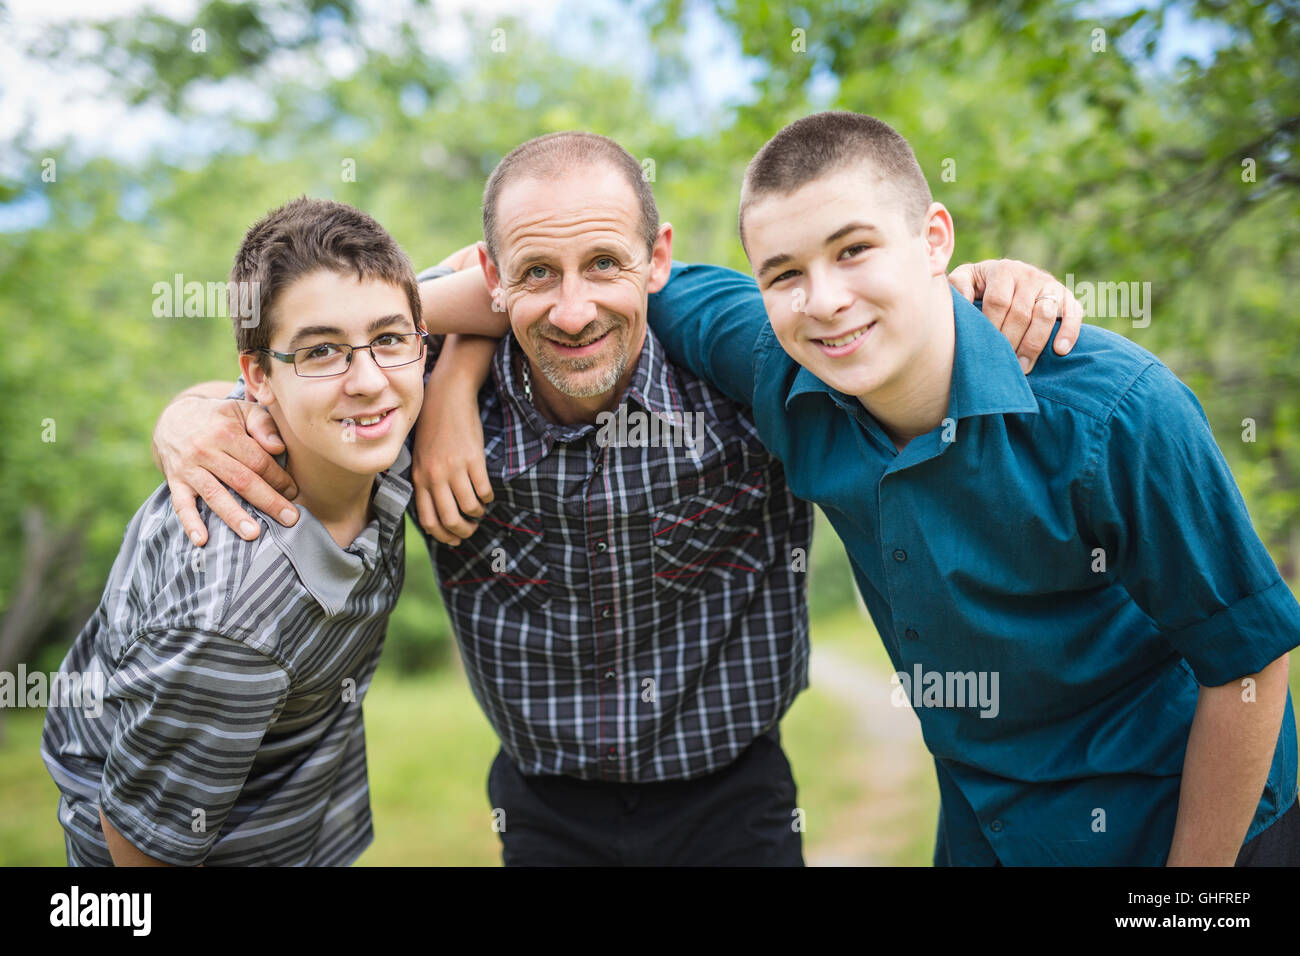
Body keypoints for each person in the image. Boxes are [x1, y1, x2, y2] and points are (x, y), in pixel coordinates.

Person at [153, 132, 1078, 865]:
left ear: (656, 258)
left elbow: (875, 325)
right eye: (538, 275)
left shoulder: (744, 380)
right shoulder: (409, 397)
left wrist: (986, 287)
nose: (573, 311)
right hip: (543, 807)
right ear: (493, 276)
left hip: (738, 797)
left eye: (605, 265)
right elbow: (302, 375)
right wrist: (195, 409)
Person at [644, 110, 1300, 865]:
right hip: (985, 828)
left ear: (934, 240)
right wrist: (468, 360)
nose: (822, 299)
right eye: (784, 273)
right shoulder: (778, 363)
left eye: (854, 249)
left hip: (1181, 826)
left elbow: (1248, 663)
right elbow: (607, 284)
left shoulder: (1114, 411)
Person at [41, 197, 429, 865]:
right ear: (258, 377)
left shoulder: (371, 433)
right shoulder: (231, 622)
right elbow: (142, 851)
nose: (368, 381)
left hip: (298, 831)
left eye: (390, 339)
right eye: (322, 351)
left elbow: (511, 283)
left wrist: (458, 388)